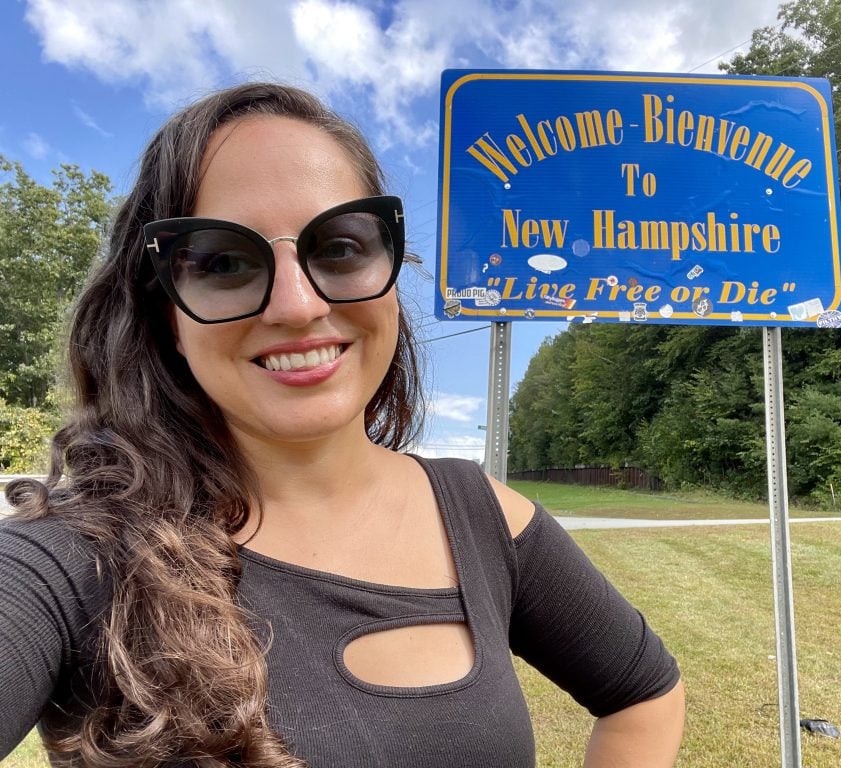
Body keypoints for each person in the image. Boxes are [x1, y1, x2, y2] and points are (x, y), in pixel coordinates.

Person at [0, 82, 685, 767]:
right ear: (165, 316)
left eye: (340, 245)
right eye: (225, 262)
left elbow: (644, 692)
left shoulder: (481, 515)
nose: (298, 306)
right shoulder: (77, 558)